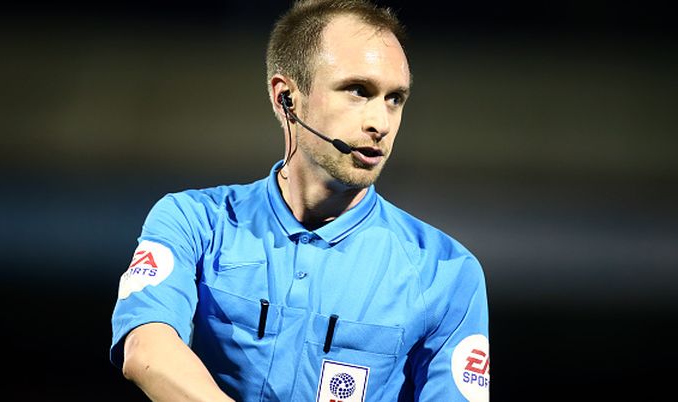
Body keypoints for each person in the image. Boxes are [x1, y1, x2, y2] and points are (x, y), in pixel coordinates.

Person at [109, 0, 489, 401]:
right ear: (286, 97)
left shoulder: (447, 272)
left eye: (395, 98)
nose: (381, 123)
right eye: (358, 91)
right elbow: (146, 349)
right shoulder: (194, 222)